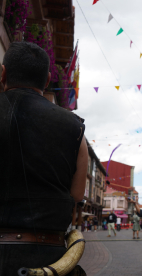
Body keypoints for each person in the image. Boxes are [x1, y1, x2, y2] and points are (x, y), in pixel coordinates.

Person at [0, 42, 88, 275]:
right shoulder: (75, 127)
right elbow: (78, 194)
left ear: (2, 73)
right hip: (46, 260)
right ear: (47, 80)